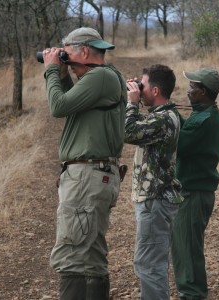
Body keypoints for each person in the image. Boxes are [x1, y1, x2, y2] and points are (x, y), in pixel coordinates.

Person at [42, 27, 127, 300]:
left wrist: (52, 71)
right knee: (90, 254)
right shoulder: (105, 77)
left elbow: (58, 107)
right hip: (94, 175)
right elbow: (73, 103)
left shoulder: (101, 76)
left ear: (85, 51)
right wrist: (65, 73)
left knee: (72, 255)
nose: (64, 57)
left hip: (87, 177)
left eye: (67, 52)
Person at [125, 64, 183, 300]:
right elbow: (138, 128)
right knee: (151, 262)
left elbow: (128, 132)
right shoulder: (163, 116)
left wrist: (131, 103)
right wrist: (135, 102)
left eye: (144, 85)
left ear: (156, 90)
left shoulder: (163, 120)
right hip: (156, 200)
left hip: (155, 201)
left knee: (150, 265)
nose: (140, 89)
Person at [171, 67, 219, 300]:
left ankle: (192, 294)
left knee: (188, 250)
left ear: (202, 92)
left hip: (193, 193)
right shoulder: (204, 114)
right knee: (184, 248)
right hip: (194, 192)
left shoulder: (205, 119)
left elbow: (179, 144)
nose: (188, 90)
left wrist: (164, 112)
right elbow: (187, 132)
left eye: (192, 87)